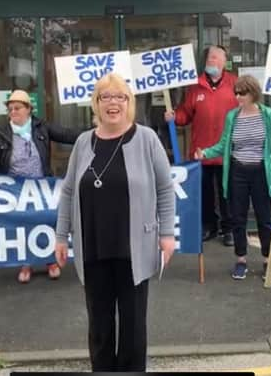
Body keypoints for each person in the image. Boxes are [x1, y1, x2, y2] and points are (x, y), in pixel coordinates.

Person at [55, 73, 176, 372]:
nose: (113, 103)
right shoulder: (84, 142)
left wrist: (167, 234)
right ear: (96, 104)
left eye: (119, 97)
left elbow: (165, 188)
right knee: (99, 326)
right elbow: (69, 189)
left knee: (134, 328)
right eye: (105, 97)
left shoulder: (146, 138)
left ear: (129, 103)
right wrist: (61, 236)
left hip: (133, 249)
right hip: (93, 248)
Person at [195, 76, 271, 280]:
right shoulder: (232, 116)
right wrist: (205, 153)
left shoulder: (268, 115)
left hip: (261, 171)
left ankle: (268, 259)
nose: (237, 96)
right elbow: (223, 143)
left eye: (242, 93)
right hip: (238, 171)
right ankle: (241, 260)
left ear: (253, 93)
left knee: (264, 217)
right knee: (238, 217)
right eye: (236, 92)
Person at [0, 89, 79, 283]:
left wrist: (93, 133)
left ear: (28, 110)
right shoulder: (4, 133)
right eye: (10, 109)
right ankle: (26, 264)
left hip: (41, 186)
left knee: (46, 222)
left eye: (17, 108)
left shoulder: (41, 128)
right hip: (17, 189)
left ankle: (50, 261)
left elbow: (65, 134)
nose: (13, 112)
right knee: (23, 225)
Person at [164, 45, 237, 245]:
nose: (210, 61)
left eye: (214, 57)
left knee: (227, 193)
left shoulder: (235, 84)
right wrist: (174, 116)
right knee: (204, 193)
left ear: (224, 61)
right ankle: (209, 226)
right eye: (208, 58)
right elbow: (185, 114)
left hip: (226, 152)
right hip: (201, 152)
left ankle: (229, 229)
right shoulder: (195, 86)